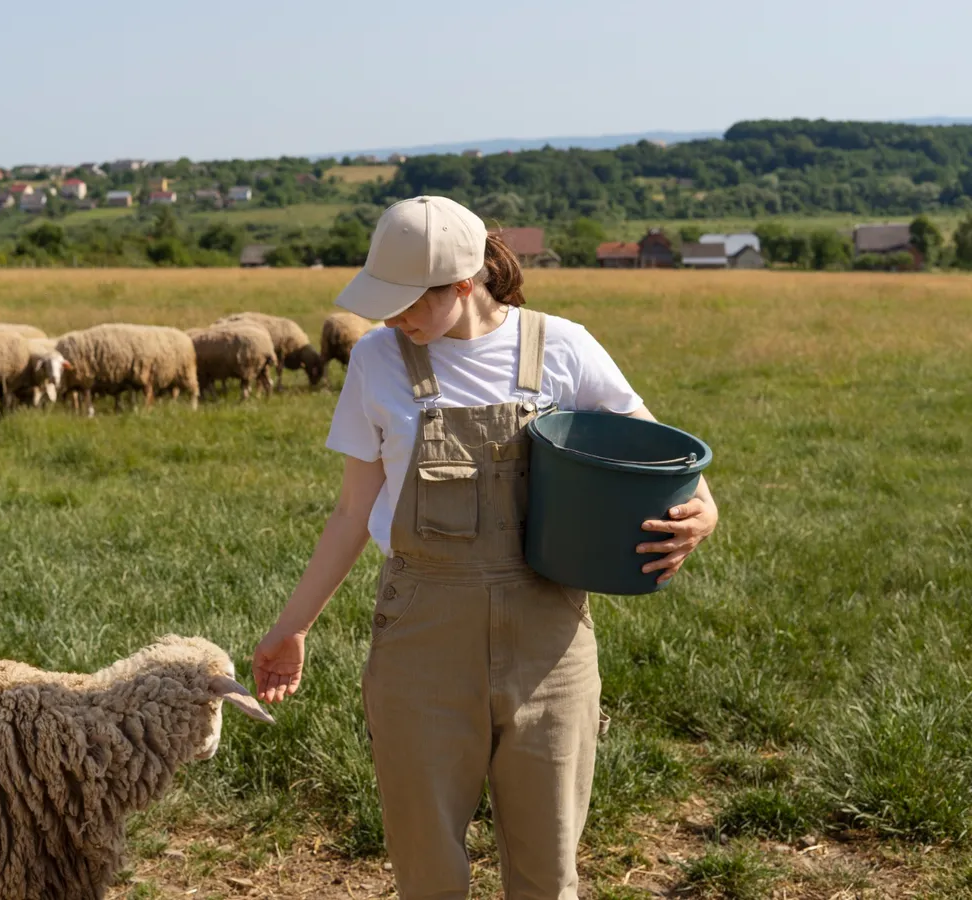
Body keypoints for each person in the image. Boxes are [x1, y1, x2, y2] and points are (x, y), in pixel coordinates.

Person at [253, 196, 718, 899]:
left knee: (547, 870)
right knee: (427, 869)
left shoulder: (562, 346)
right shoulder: (377, 361)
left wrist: (702, 508)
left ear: (464, 285)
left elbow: (661, 457)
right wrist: (292, 628)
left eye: (410, 303)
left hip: (549, 642)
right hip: (420, 638)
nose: (394, 320)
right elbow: (352, 509)